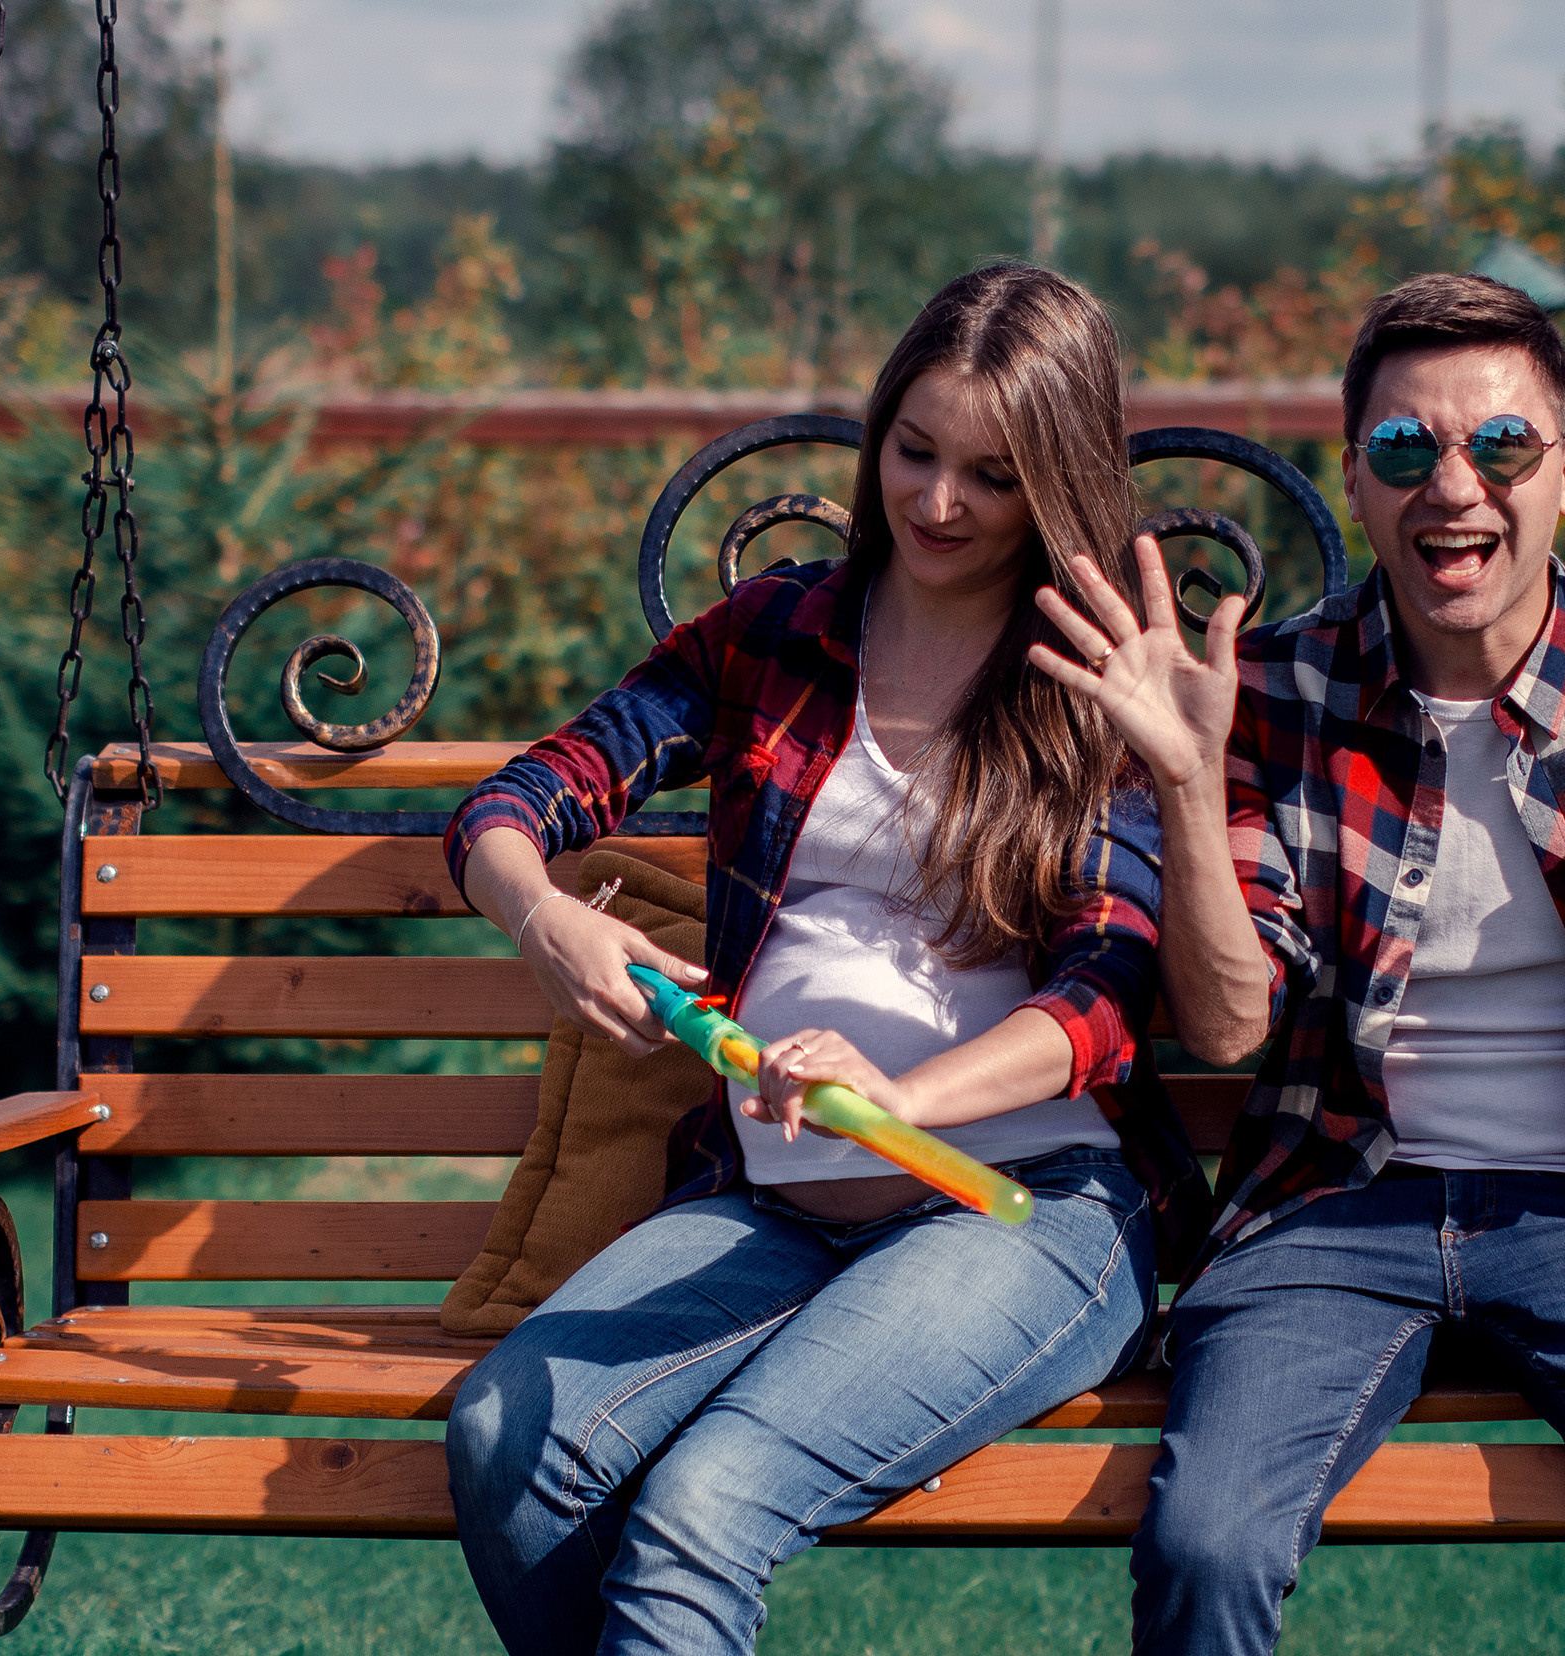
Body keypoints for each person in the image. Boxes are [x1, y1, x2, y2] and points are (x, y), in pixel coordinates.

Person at [1028, 273, 1565, 1656]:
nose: (1455, 489)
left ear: (1564, 470)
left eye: (1499, 448)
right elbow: (1228, 1026)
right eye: (1405, 451)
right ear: (1358, 479)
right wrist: (1186, 787)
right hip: (1339, 1208)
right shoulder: (1275, 691)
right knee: (1205, 1546)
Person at [442, 263, 1207, 1656]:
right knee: (506, 1436)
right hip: (776, 1202)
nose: (937, 504)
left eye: (990, 474)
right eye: (914, 452)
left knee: (706, 1506)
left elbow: (1104, 1000)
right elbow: (531, 794)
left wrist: (906, 1098)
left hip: (1020, 1210)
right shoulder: (781, 630)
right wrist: (537, 909)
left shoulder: (1099, 674)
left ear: (1057, 483)